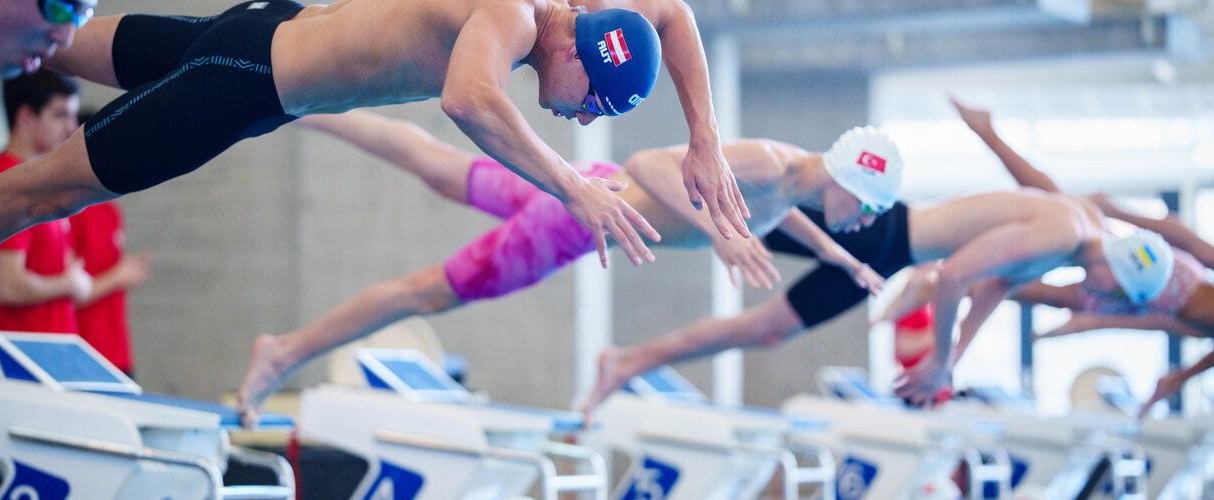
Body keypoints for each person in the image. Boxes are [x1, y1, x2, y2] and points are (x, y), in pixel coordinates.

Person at [0, 0, 697, 346]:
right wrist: (572, 185)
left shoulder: (570, 18)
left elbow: (673, 13)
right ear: (579, 51)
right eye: (593, 102)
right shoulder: (515, 16)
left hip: (259, 35)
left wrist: (706, 143)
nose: (584, 119)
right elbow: (468, 98)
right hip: (245, 80)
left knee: (37, 37)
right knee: (38, 193)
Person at [234, 110, 901, 425]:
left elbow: (773, 212)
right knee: (425, 294)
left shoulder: (791, 177)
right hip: (570, 224)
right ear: (845, 181)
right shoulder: (767, 163)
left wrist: (841, 257)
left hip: (584, 183)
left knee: (441, 168)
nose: (865, 223)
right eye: (867, 211)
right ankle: (284, 352)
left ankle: (302, 107)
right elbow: (649, 164)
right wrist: (717, 237)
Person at [579, 187, 1177, 417]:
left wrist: (952, 360)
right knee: (725, 219)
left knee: (768, 329)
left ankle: (627, 362)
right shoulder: (1064, 234)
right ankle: (612, 192)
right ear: (1118, 269)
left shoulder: (1077, 233)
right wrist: (939, 357)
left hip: (885, 252)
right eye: (1115, 293)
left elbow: (996, 285)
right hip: (878, 233)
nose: (1101, 299)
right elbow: (953, 275)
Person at [950, 96, 1214, 417]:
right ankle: (985, 134)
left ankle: (952, 275)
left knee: (1058, 228)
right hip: (1150, 277)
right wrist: (1118, 211)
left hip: (1149, 288)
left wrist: (1176, 379)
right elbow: (1189, 242)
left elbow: (1156, 317)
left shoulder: (1189, 318)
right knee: (1062, 222)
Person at [0, 69, 89, 376]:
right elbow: (5, 286)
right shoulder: (5, 180)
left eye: (72, 116)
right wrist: (69, 283)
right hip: (17, 372)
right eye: (60, 115)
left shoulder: (38, 184)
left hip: (47, 367)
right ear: (25, 117)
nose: (71, 128)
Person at [69, 201, 148, 376]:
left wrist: (121, 276)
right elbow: (66, 295)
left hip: (117, 351)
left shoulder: (110, 210)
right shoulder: (73, 211)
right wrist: (117, 277)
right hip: (86, 350)